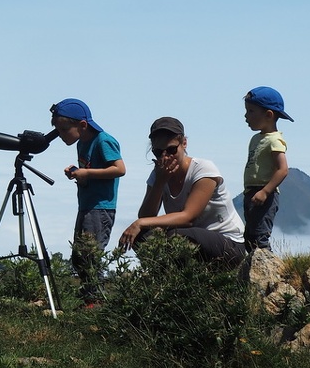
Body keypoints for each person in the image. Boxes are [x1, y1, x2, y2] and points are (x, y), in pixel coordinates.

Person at [118, 117, 246, 267]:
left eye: (171, 150)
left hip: (229, 244)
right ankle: (168, 280)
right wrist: (159, 182)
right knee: (142, 236)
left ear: (184, 143)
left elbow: (188, 218)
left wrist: (139, 223)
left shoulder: (203, 170)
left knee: (176, 236)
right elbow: (147, 216)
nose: (165, 157)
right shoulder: (158, 174)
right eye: (158, 152)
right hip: (191, 240)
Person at [50, 98, 126, 307]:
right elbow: (91, 173)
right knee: (80, 256)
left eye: (64, 129)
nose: (61, 135)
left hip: (101, 208)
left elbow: (119, 169)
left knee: (90, 255)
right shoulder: (83, 143)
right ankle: (89, 298)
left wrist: (86, 172)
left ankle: (96, 301)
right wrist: (78, 174)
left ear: (82, 125)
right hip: (87, 205)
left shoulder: (103, 140)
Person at [243, 86, 293, 252]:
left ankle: (269, 272)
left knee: (259, 236)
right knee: (249, 236)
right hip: (251, 192)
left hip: (264, 195)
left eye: (251, 111)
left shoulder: (275, 140)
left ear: (269, 115)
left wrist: (265, 191)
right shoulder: (255, 139)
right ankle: (252, 272)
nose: (246, 116)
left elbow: (282, 169)